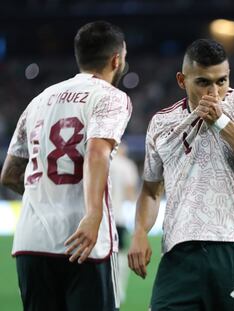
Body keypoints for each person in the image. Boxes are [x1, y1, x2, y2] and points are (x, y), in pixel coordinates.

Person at [128, 38, 234, 310]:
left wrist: (221, 123)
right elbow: (151, 191)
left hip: (232, 248)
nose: (214, 92)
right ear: (181, 80)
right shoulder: (162, 122)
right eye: (203, 82)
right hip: (178, 254)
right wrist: (140, 232)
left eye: (221, 81)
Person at [0, 21, 132, 311]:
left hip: (32, 241)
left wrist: (47, 195)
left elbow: (9, 175)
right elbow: (97, 151)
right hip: (85, 241)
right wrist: (94, 214)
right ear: (116, 59)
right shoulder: (111, 97)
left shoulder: (39, 100)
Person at [109, 143, 139, 303]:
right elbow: (130, 193)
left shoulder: (103, 160)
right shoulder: (127, 166)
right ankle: (118, 290)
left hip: (100, 218)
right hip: (118, 216)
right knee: (120, 254)